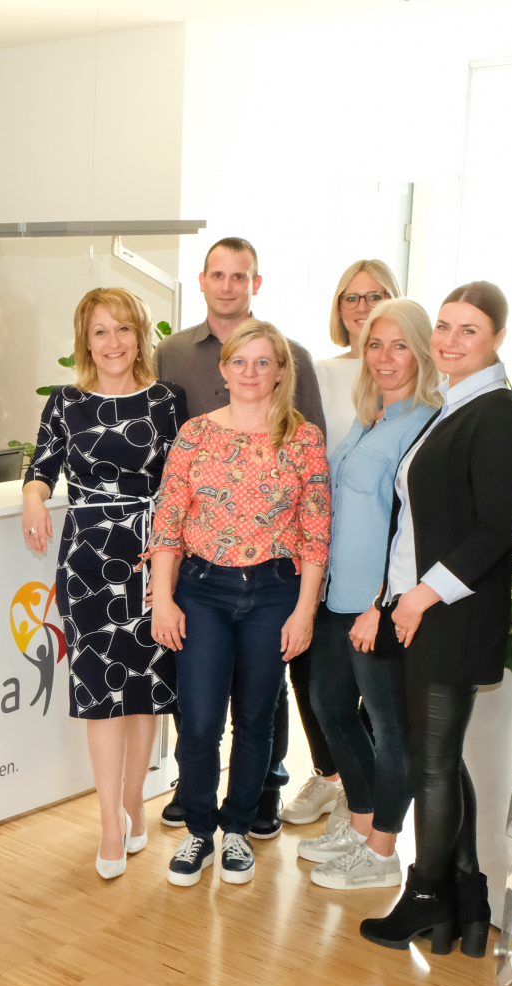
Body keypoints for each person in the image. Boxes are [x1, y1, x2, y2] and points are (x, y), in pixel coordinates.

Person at [361, 282, 512, 958]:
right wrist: (396, 597)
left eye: (469, 330)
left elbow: (494, 530)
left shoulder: (498, 415)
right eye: (444, 326)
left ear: (497, 339)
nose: (450, 341)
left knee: (430, 763)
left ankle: (427, 893)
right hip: (421, 607)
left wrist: (421, 596)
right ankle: (467, 896)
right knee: (439, 756)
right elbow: (419, 523)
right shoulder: (455, 403)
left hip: (452, 613)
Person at [155, 236, 335, 839]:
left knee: (258, 716)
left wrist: (305, 609)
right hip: (203, 585)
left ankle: (243, 820)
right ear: (224, 369)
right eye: (240, 363)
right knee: (199, 716)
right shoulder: (193, 428)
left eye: (263, 363)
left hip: (273, 588)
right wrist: (162, 596)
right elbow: (169, 519)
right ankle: (198, 825)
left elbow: (315, 529)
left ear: (281, 369)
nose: (251, 372)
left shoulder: (303, 438)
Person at [20, 288, 185, 879]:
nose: (113, 342)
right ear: (85, 342)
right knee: (100, 696)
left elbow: (182, 485)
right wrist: (33, 499)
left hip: (151, 558)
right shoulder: (66, 402)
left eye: (123, 329)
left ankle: (134, 800)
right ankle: (109, 823)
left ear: (139, 335)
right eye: (100, 331)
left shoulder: (168, 400)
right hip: (87, 560)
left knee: (144, 692)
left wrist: (168, 565)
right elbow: (42, 467)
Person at [303, 300, 440, 891]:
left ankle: (382, 850)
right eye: (376, 345)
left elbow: (411, 526)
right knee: (330, 708)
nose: (385, 358)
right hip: (338, 592)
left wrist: (379, 604)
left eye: (399, 346)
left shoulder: (426, 423)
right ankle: (360, 824)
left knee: (387, 726)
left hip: (377, 603)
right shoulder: (372, 416)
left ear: (422, 353)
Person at [314, 259, 402, 456]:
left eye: (374, 297)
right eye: (351, 298)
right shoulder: (316, 374)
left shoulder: (417, 372)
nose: (362, 308)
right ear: (339, 308)